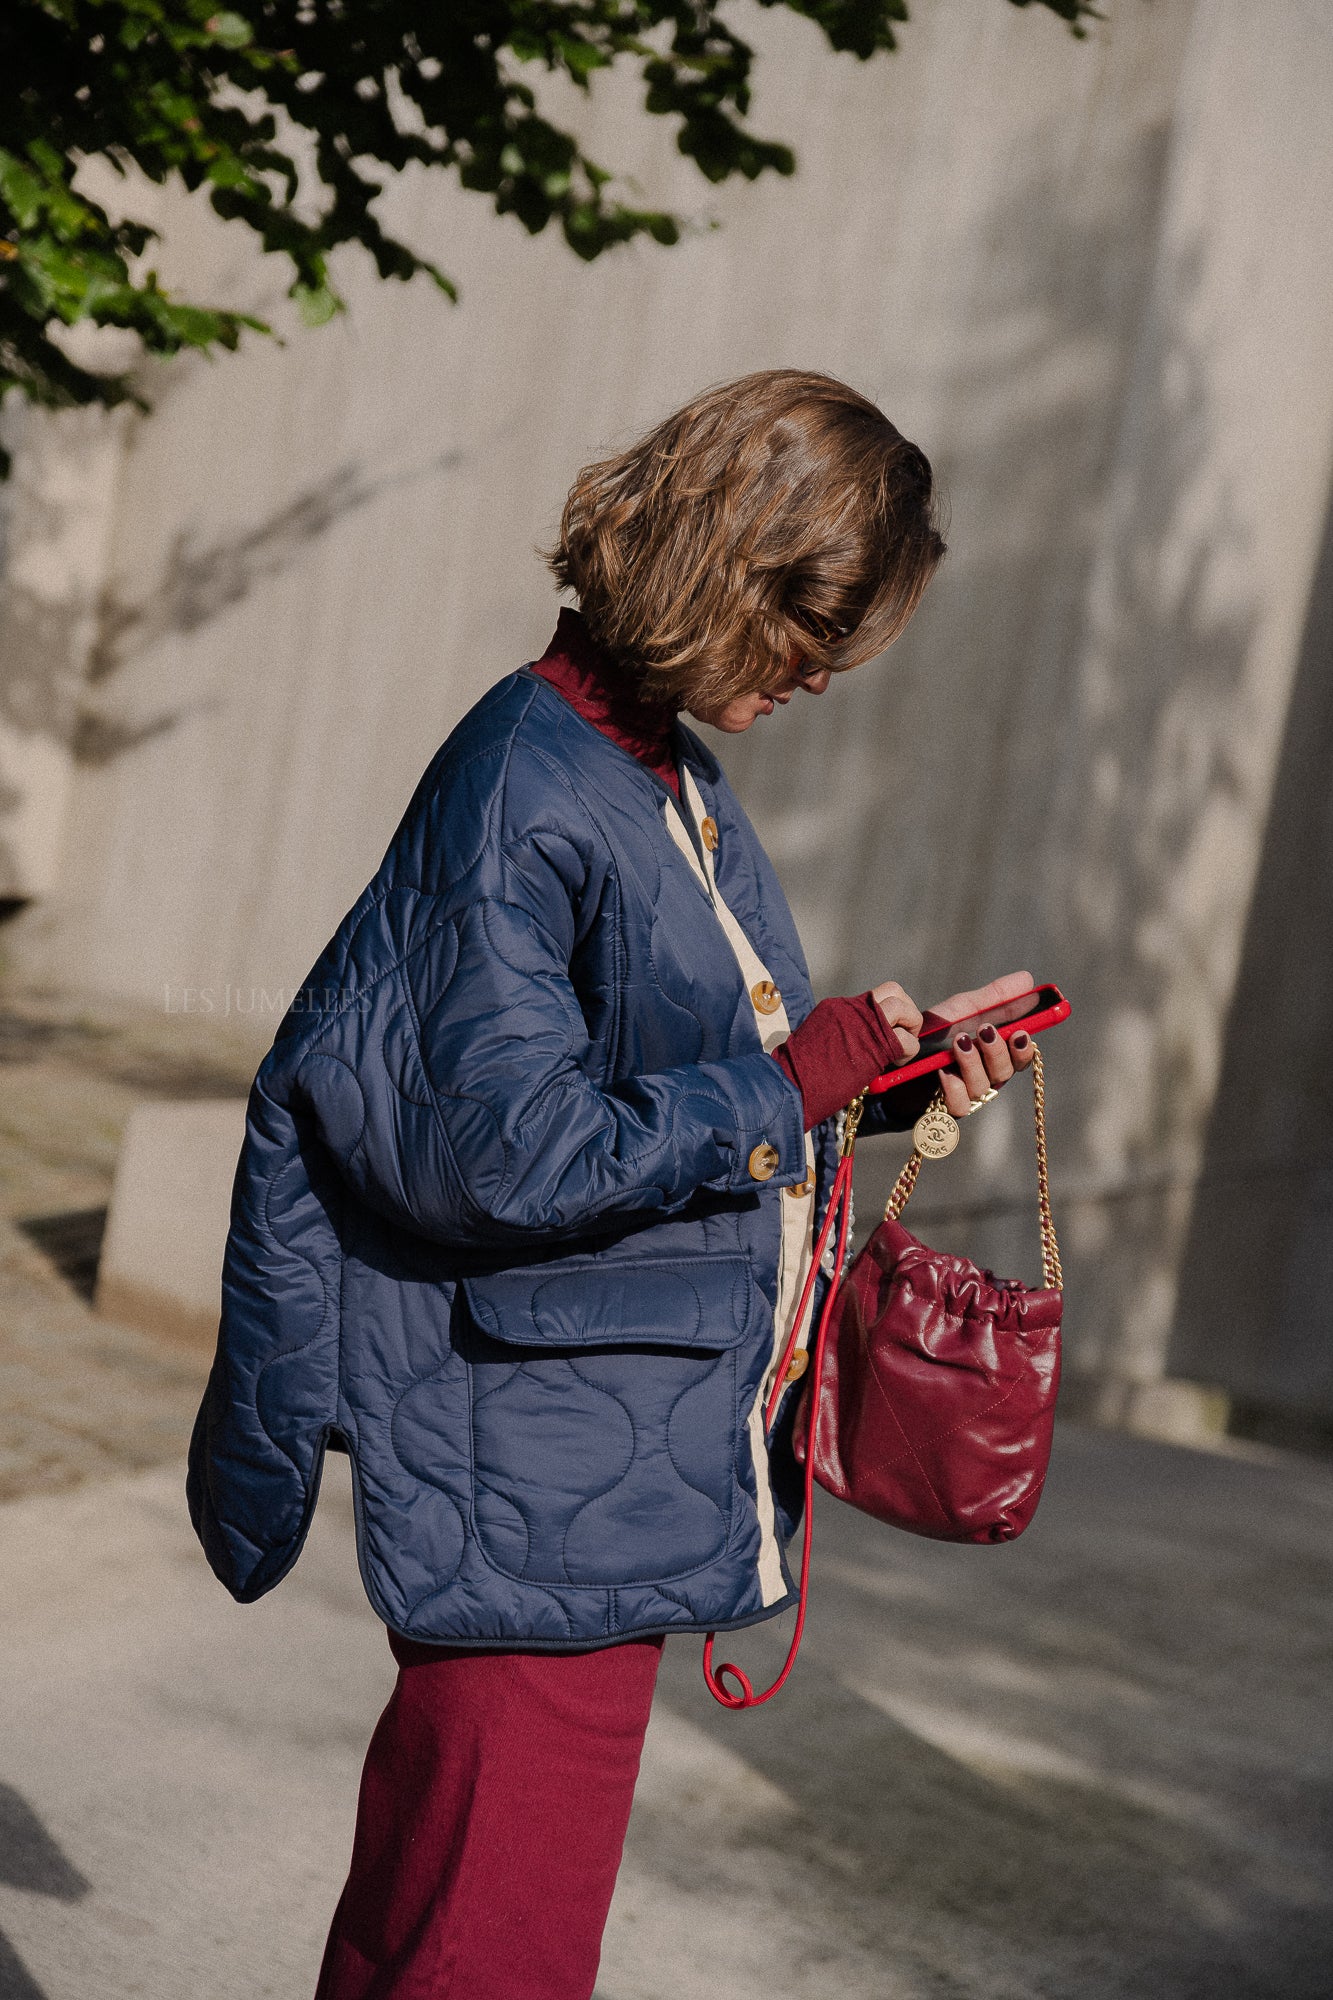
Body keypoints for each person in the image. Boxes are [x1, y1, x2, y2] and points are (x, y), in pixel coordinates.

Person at [187, 368, 1036, 1999]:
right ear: (721, 564)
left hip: (586, 1467)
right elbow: (498, 1154)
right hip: (534, 1483)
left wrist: (883, 1088)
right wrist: (796, 1077)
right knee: (475, 1954)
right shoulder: (528, 783)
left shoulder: (644, 768)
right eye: (804, 626)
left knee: (450, 1937)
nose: (815, 675)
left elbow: (646, 1102)